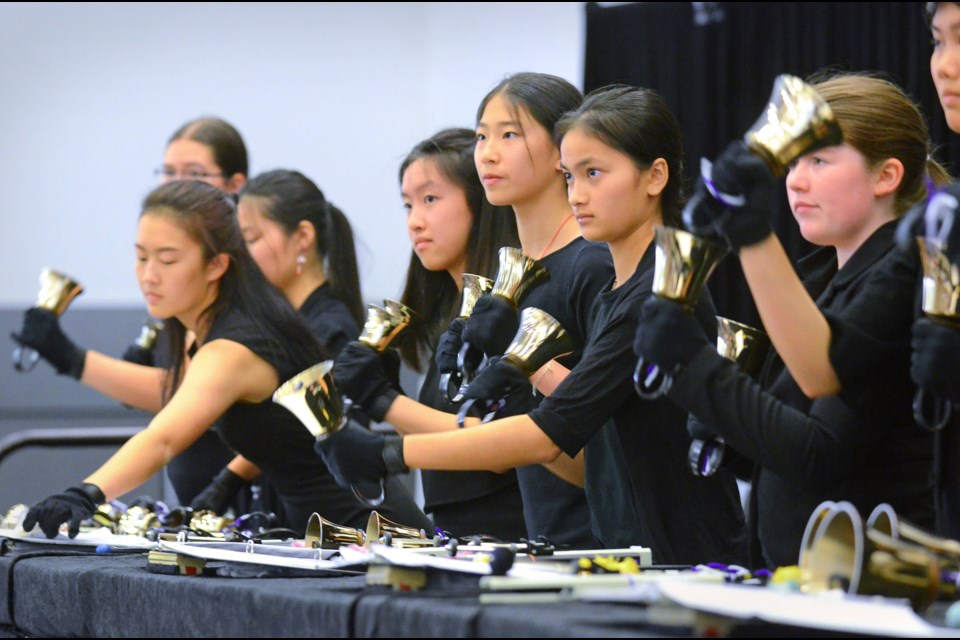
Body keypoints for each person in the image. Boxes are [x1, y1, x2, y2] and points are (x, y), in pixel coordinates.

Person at [314, 85, 749, 564]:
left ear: (655, 176)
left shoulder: (651, 294)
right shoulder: (619, 293)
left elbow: (548, 433)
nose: (578, 194)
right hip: (633, 551)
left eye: (595, 174)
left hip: (686, 557)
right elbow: (574, 436)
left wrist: (387, 452)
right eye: (571, 175)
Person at [632, 73, 941, 568]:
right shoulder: (818, 277)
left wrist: (695, 368)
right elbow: (791, 450)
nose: (795, 180)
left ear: (887, 176)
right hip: (797, 575)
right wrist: (731, 432)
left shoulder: (903, 281)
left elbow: (818, 456)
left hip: (869, 581)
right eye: (795, 161)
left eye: (819, 160)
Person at [11, 180, 431, 537]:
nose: (148, 274)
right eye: (141, 257)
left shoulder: (234, 347)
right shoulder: (211, 329)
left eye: (168, 259)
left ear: (216, 265)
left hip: (368, 526)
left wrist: (86, 493)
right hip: (323, 527)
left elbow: (164, 438)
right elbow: (174, 399)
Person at [332, 73, 606, 549]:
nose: (489, 152)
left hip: (588, 540)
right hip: (538, 542)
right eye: (482, 136)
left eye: (509, 134)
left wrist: (386, 431)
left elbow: (576, 443)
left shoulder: (590, 265)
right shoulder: (510, 279)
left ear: (563, 146)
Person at [332, 128, 528, 540]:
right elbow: (439, 441)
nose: (414, 222)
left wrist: (384, 401)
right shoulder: (452, 318)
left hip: (506, 538)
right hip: (457, 535)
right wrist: (386, 394)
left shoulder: (506, 315)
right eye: (407, 205)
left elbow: (496, 448)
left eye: (430, 199)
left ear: (481, 202)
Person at [188, 169, 366, 518]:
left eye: (251, 239)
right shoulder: (282, 321)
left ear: (302, 237)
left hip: (330, 519)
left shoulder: (330, 328)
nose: (241, 255)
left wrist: (228, 478)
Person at [120, 116, 252, 511]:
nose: (177, 184)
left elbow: (183, 393)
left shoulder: (244, 289)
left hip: (248, 503)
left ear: (235, 185)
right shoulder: (174, 297)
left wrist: (70, 359)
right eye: (169, 172)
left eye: (194, 173)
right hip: (195, 495)